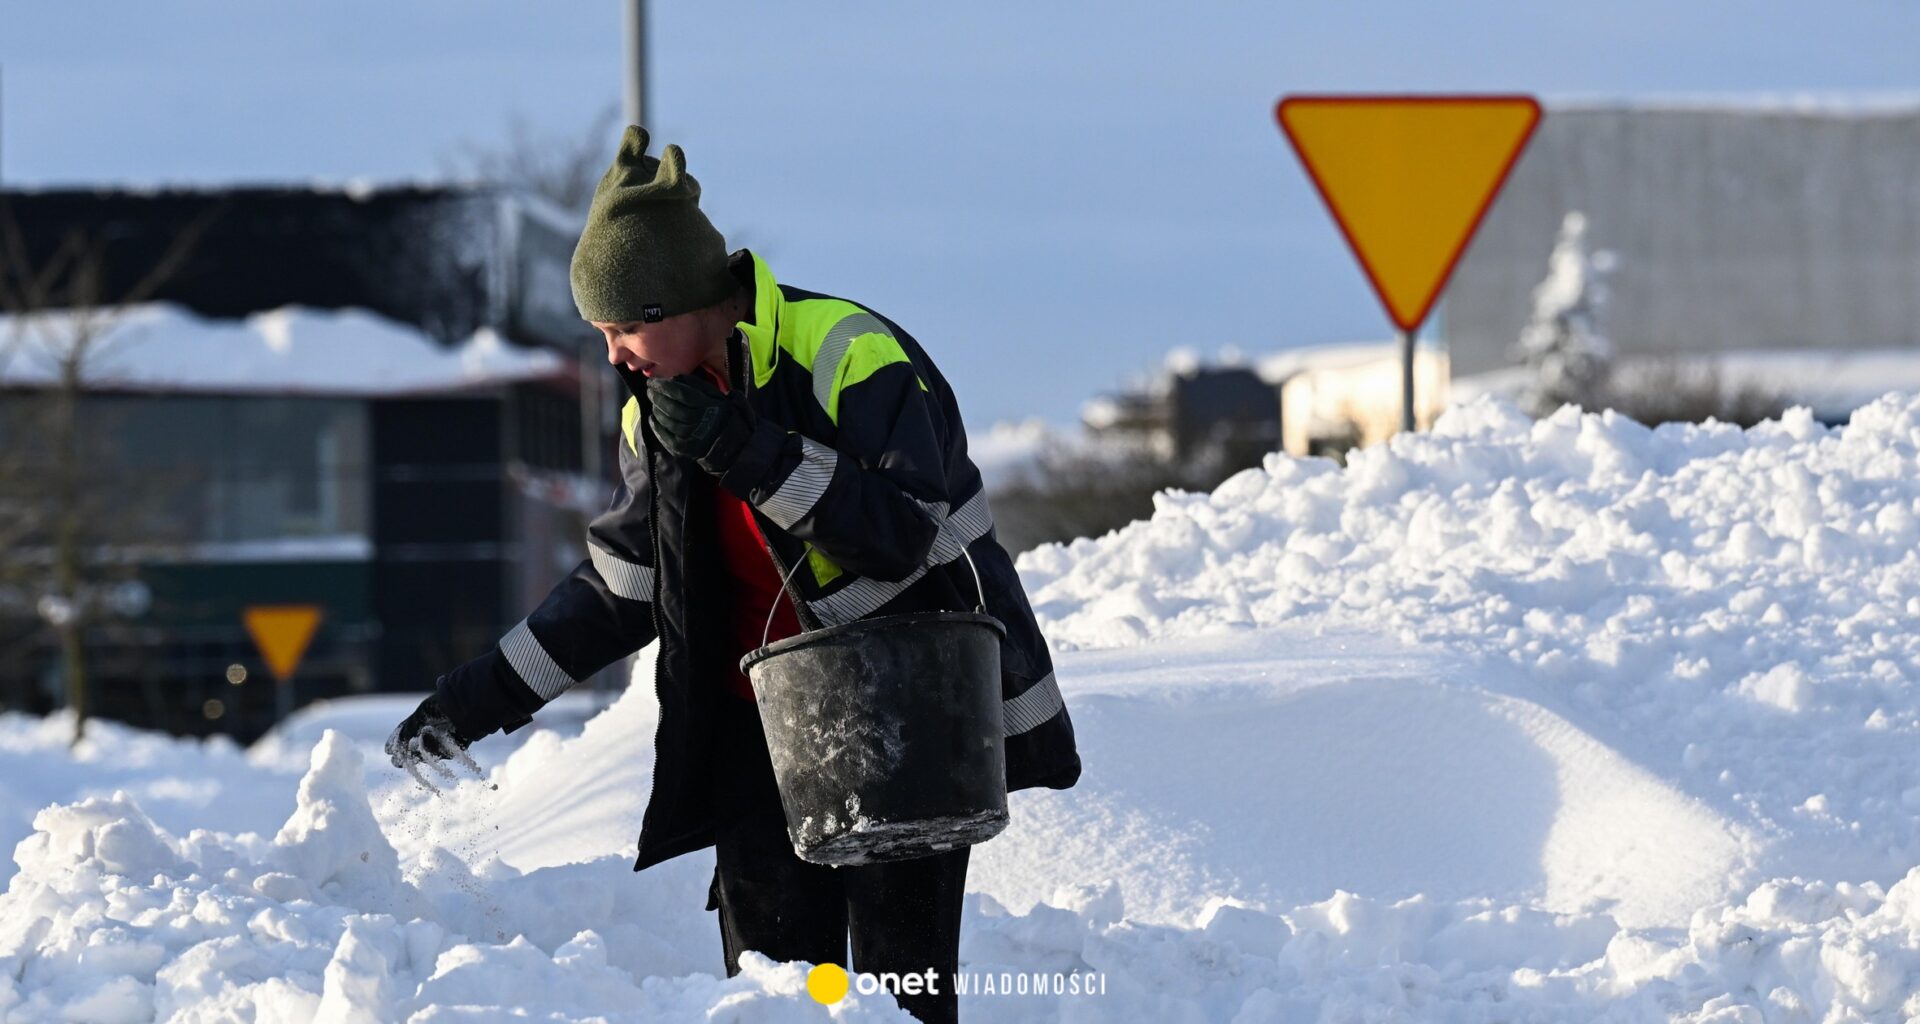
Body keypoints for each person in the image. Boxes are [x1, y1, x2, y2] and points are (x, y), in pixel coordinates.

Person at [386, 125, 1081, 1023]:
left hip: (907, 715)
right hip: (763, 734)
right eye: (602, 331)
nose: (614, 356)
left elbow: (902, 534)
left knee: (898, 993)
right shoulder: (658, 419)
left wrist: (745, 450)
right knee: (780, 995)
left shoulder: (846, 354)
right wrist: (468, 704)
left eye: (628, 326)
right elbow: (618, 592)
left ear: (685, 302)